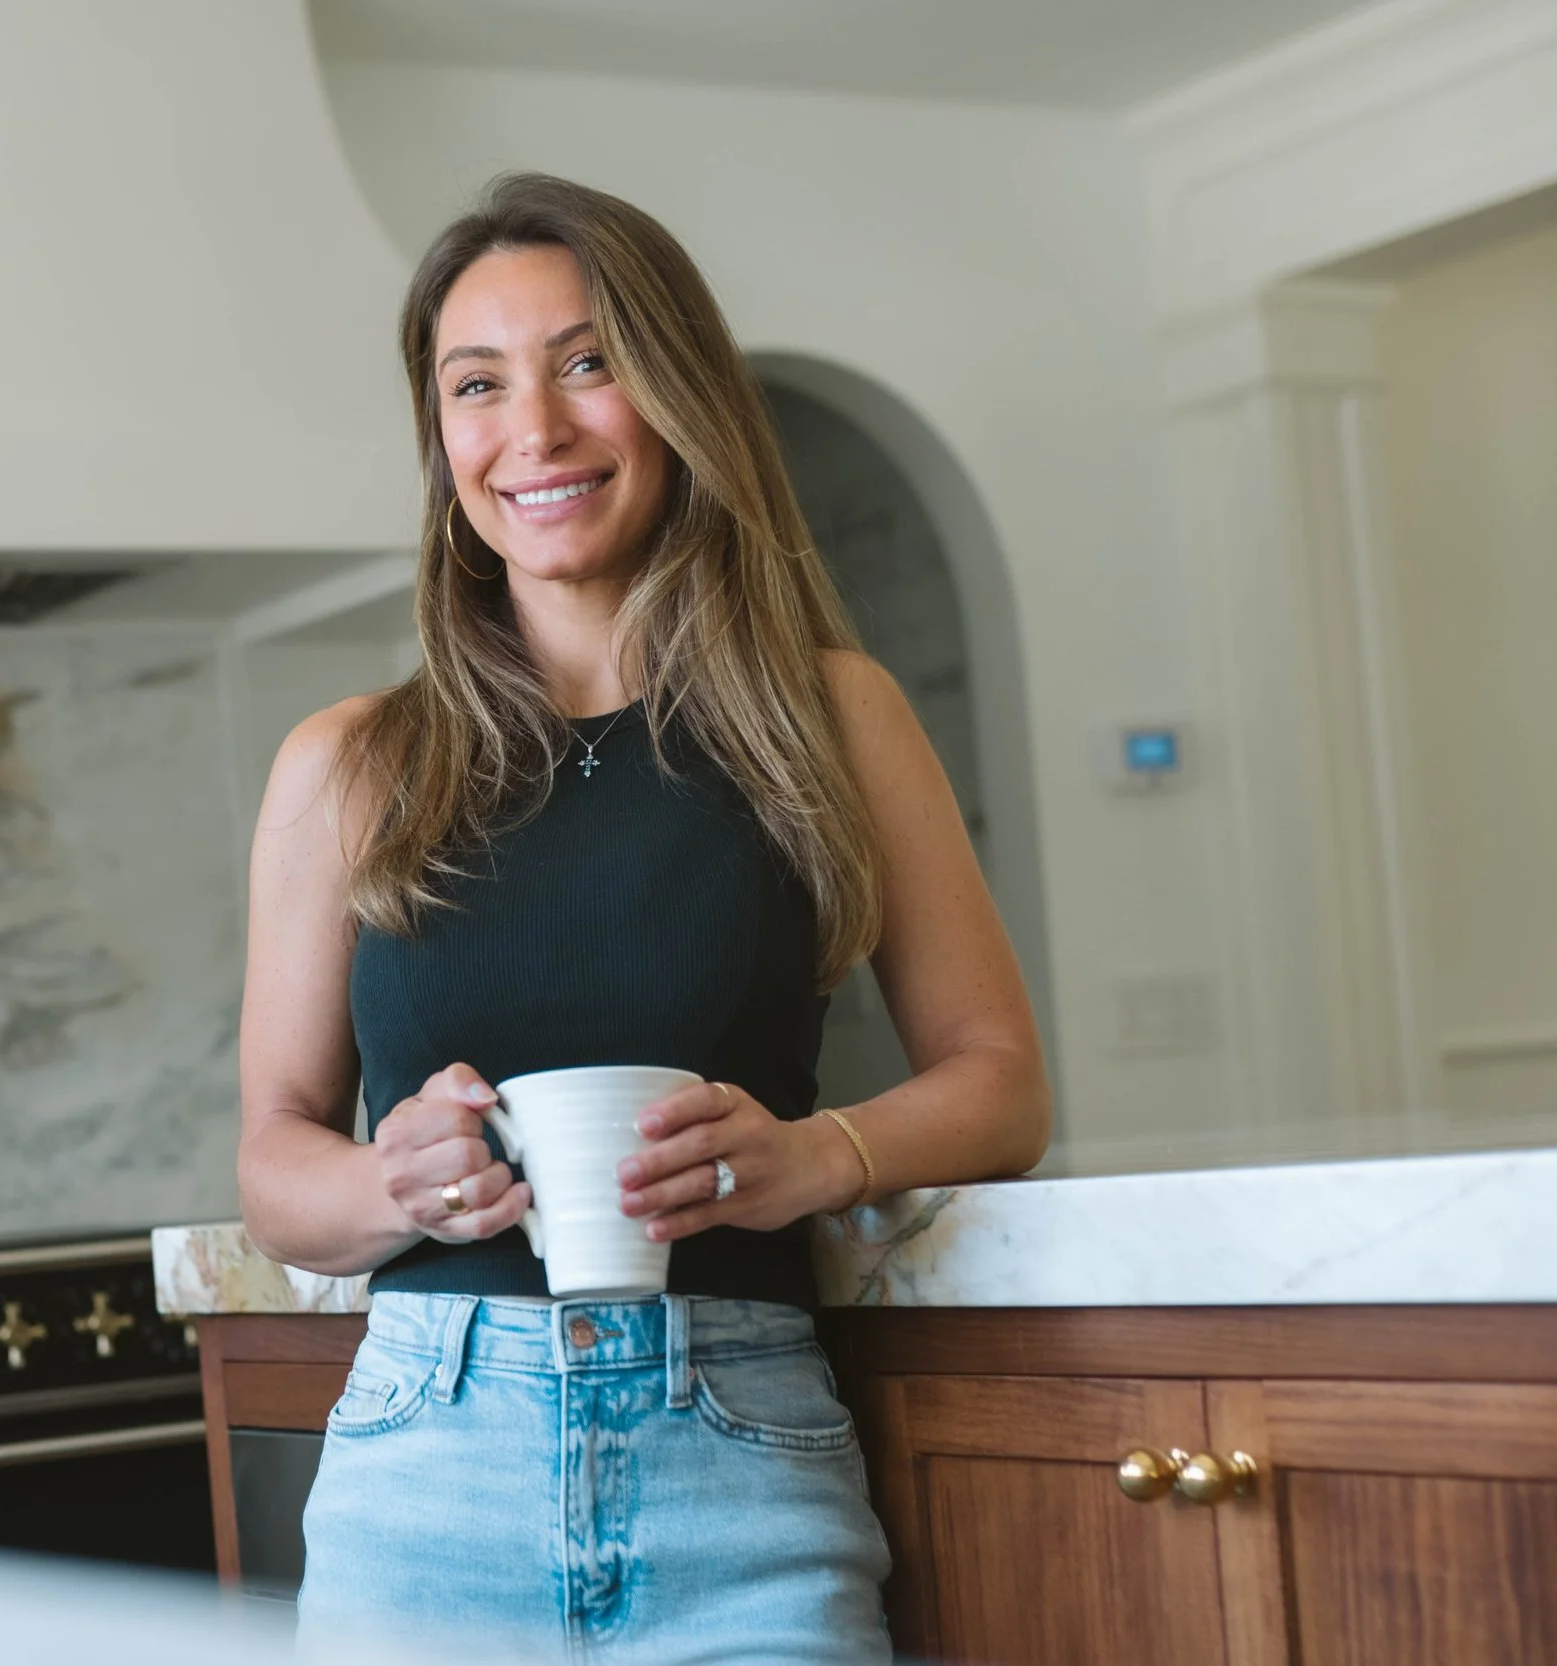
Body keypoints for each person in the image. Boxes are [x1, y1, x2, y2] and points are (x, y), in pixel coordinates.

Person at [235, 172, 1051, 1664]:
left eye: (589, 362)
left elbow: (1002, 1078)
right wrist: (393, 1183)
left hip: (740, 1456)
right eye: (476, 385)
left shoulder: (833, 718)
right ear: (442, 442)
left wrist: (814, 1157)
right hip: (430, 1474)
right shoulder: (346, 764)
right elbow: (277, 1167)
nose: (533, 430)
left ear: (676, 394)